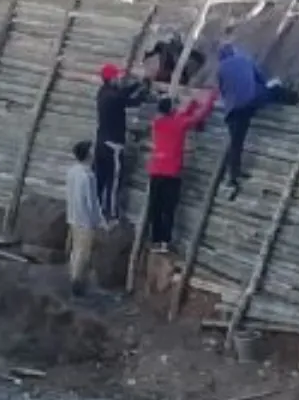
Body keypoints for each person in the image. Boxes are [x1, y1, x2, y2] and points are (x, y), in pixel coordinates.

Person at [143, 88, 216, 253]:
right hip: (171, 172)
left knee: (155, 207)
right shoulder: (177, 124)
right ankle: (165, 242)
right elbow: (198, 116)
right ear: (171, 110)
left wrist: (191, 104)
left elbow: (181, 116)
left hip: (156, 170)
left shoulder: (157, 123)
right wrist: (210, 99)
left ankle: (155, 239)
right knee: (169, 208)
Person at [212, 38, 275, 198]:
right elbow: (262, 79)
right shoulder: (245, 60)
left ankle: (233, 174)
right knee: (237, 139)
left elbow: (222, 90)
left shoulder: (220, 69)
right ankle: (234, 173)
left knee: (236, 141)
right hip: (250, 103)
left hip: (233, 109)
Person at [93, 62, 153, 223]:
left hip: (101, 142)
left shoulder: (103, 93)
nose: (119, 79)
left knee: (100, 179)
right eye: (117, 77)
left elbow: (123, 94)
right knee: (114, 181)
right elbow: (132, 101)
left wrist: (138, 84)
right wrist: (144, 90)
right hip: (114, 145)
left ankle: (94, 210)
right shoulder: (113, 97)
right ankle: (112, 215)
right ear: (111, 78)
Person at [66, 141, 108, 293]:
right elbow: (91, 202)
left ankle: (73, 277)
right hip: (85, 220)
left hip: (73, 216)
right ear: (88, 155)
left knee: (76, 249)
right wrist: (98, 220)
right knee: (83, 252)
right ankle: (77, 284)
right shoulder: (88, 176)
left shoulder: (72, 171)